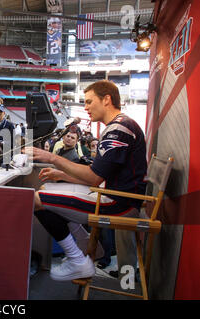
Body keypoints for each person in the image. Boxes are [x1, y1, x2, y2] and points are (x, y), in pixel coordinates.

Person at [24, 80, 147, 281]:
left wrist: (52, 158)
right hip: (114, 195)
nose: (86, 107)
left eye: (90, 102)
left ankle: (77, 261)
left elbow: (93, 177)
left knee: (35, 200)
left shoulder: (119, 128)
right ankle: (84, 246)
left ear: (107, 99)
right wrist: (62, 175)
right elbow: (98, 176)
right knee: (47, 187)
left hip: (118, 203)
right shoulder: (119, 125)